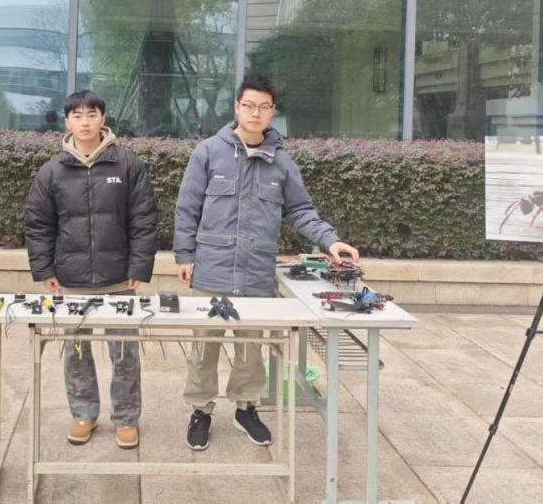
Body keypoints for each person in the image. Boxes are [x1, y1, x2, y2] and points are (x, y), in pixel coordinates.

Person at [173, 75, 359, 451]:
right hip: (212, 269)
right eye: (249, 106)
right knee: (204, 348)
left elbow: (301, 210)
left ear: (273, 111)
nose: (255, 113)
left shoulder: (281, 162)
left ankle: (246, 409)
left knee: (251, 348)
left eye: (263, 107)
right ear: (236, 108)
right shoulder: (208, 152)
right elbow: (187, 207)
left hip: (256, 272)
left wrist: (331, 240)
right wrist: (185, 255)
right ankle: (201, 411)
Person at [24, 89, 158, 449]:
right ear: (67, 121)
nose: (85, 122)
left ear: (103, 119)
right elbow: (38, 224)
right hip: (72, 280)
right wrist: (44, 269)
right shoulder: (52, 171)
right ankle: (83, 413)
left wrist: (139, 266)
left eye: (91, 114)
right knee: (77, 352)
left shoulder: (127, 165)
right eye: (77, 115)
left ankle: (126, 418)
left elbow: (144, 219)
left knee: (125, 352)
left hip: (120, 279)